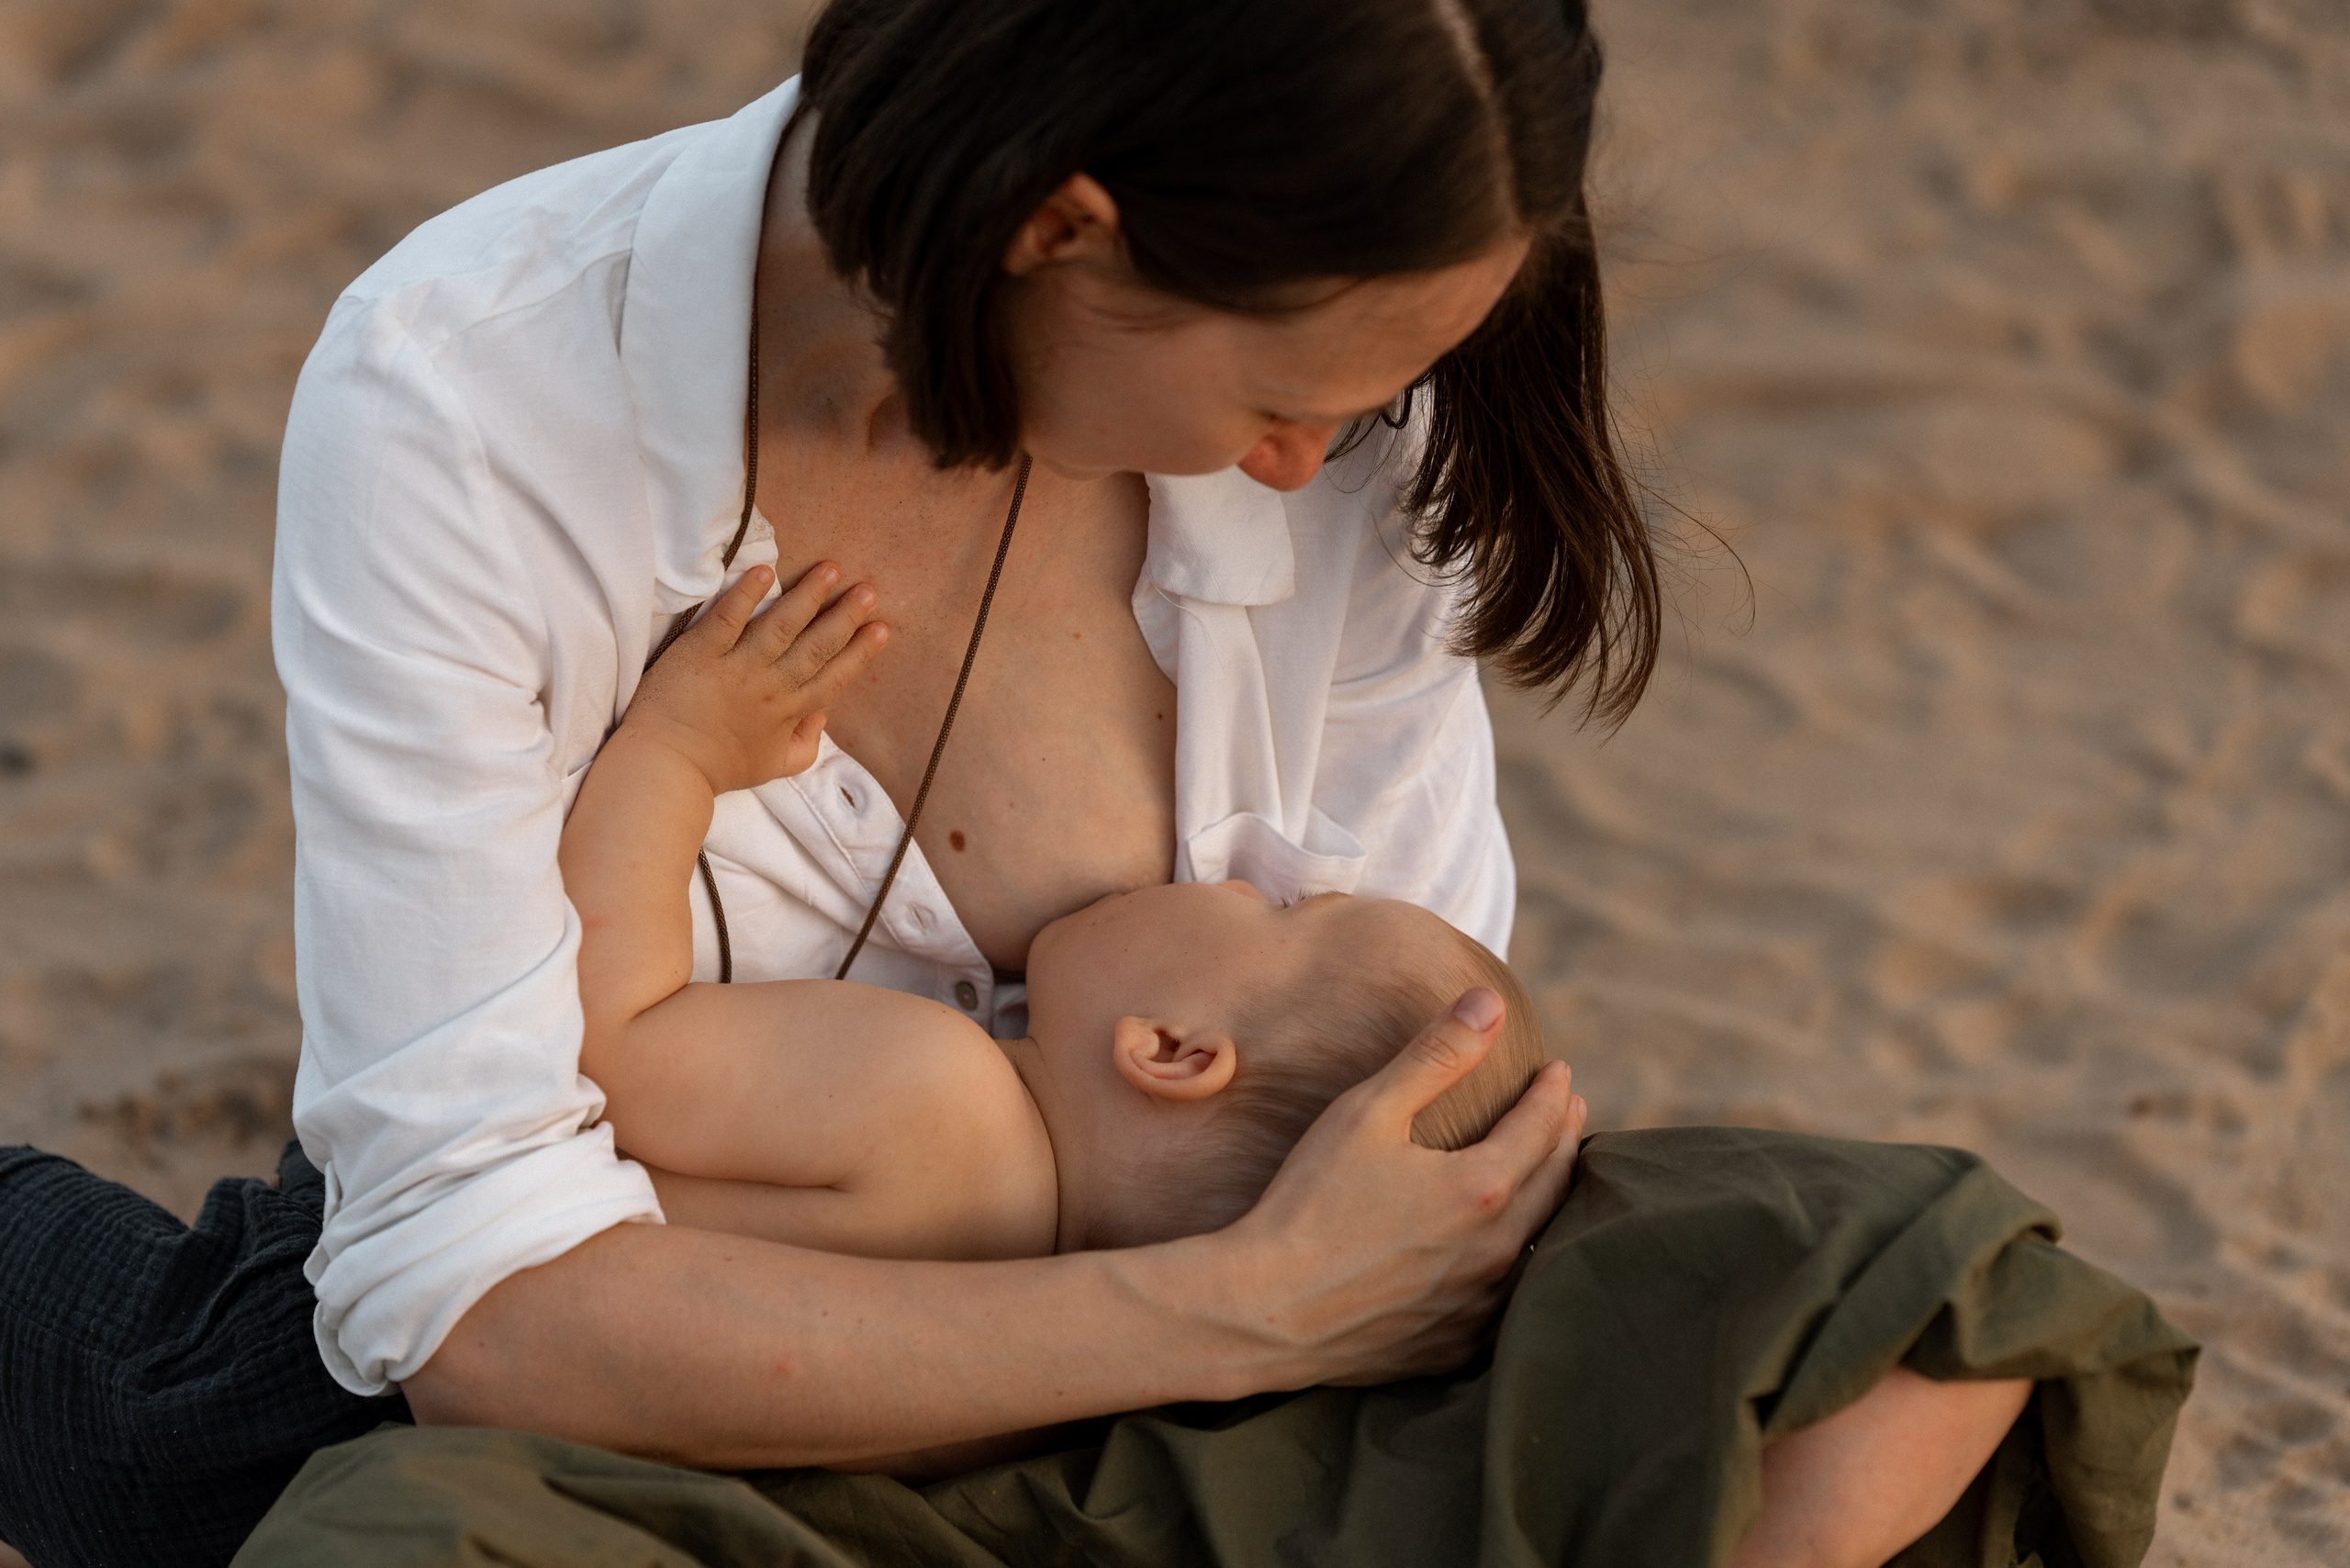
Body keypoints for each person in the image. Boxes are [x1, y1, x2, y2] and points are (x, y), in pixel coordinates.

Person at [1, 3, 2174, 1565]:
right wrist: (1220, 1312)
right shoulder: (471, 398)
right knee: (351, 1506)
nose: (1322, 465)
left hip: (1230, 1408)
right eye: (1286, 396)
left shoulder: (1360, 444)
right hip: (706, 1415)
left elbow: (1391, 1079)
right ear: (1058, 227)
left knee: (1892, 1266)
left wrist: (1310, 1278)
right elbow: (486, 1300)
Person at [560, 556, 1552, 1270]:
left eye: (1285, 917)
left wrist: (679, 752)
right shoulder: (1024, 1262)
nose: (1249, 881)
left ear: (1169, 1050)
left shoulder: (941, 1104)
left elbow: (606, 1038)